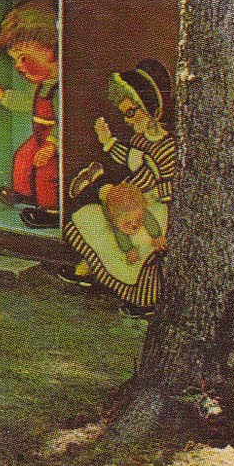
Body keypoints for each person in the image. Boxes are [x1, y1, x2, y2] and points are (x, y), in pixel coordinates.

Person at [61, 59, 179, 313]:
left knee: (139, 246)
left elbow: (171, 185)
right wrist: (108, 142)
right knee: (97, 220)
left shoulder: (168, 146)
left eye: (130, 113)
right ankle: (94, 270)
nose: (126, 120)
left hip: (157, 209)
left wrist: (150, 191)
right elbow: (130, 159)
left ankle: (144, 300)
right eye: (124, 114)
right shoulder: (140, 139)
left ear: (149, 109)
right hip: (136, 199)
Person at [0, 0, 60, 228]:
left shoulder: (61, 88)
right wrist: (2, 95)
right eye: (15, 60)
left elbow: (65, 121)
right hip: (39, 137)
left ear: (50, 48)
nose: (18, 66)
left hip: (52, 140)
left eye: (23, 57)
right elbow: (28, 103)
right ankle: (25, 194)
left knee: (46, 172)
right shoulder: (44, 85)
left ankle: (51, 211)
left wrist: (53, 144)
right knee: (23, 157)